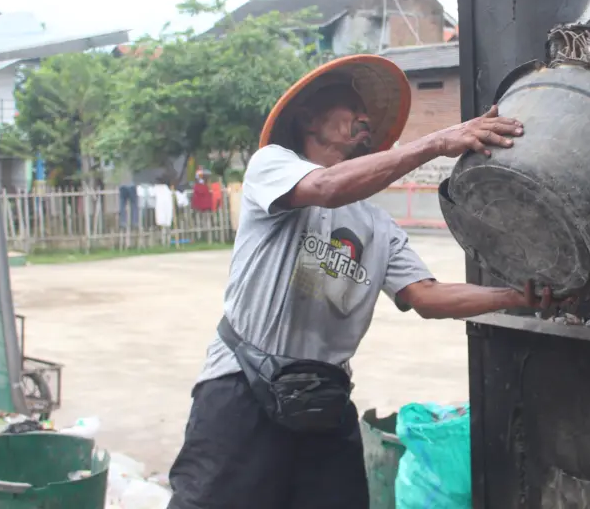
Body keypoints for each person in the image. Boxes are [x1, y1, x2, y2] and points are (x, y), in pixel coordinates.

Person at [168, 55, 552, 509]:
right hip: (242, 388)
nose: (364, 119)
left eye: (366, 115)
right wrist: (436, 142)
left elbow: (426, 296)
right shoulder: (272, 166)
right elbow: (326, 188)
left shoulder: (377, 226)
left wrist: (515, 296)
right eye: (351, 107)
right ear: (309, 118)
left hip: (324, 399)